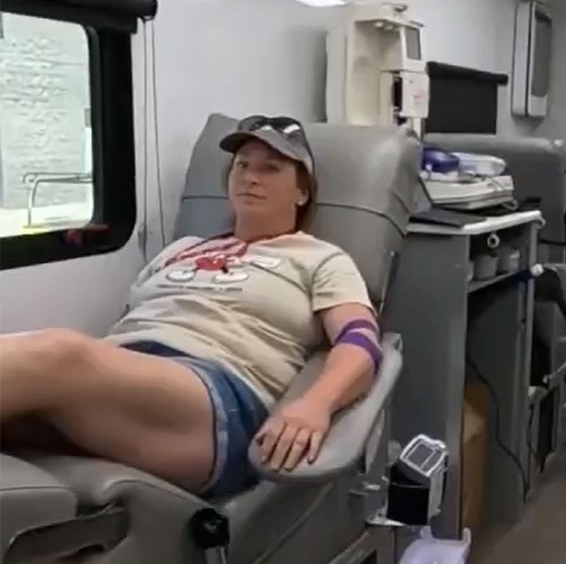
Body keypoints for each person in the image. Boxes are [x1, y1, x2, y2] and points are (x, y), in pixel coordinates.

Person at [0, 116, 382, 497]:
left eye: (271, 168)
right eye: (242, 165)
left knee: (60, 353)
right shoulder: (181, 250)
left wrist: (315, 405)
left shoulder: (321, 258)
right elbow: (128, 326)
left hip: (220, 398)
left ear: (302, 192)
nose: (250, 177)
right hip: (128, 385)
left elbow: (360, 342)